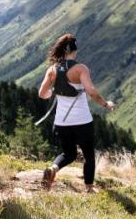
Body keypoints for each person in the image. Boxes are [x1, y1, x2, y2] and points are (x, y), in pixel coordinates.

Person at [38, 33, 115, 193]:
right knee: (88, 155)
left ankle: (52, 169)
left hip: (62, 122)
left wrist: (53, 92)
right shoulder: (80, 69)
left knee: (68, 153)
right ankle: (89, 188)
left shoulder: (52, 70)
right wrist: (105, 104)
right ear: (74, 50)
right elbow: (91, 92)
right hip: (82, 121)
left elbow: (42, 93)